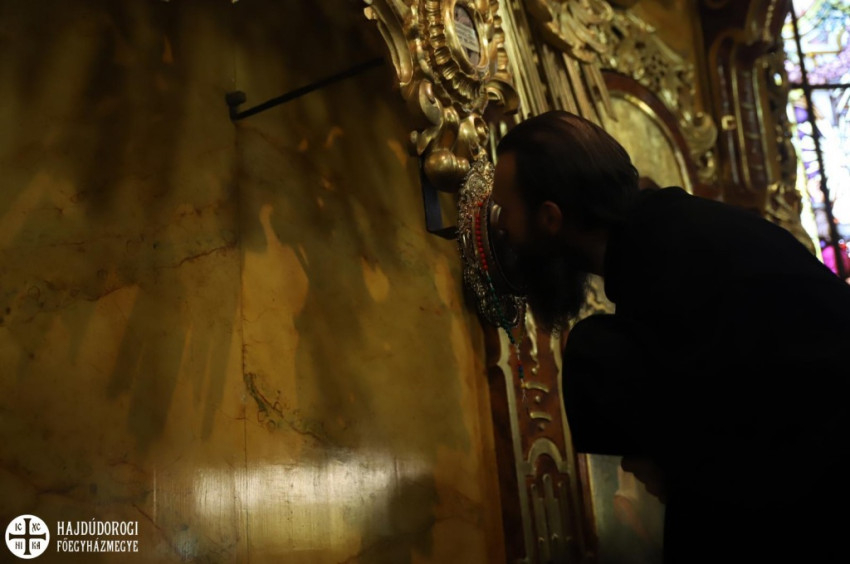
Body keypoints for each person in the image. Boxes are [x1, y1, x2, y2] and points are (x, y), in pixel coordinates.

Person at [489, 110, 849, 563]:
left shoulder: (668, 262)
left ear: (550, 218)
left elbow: (753, 431)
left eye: (505, 212)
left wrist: (675, 467)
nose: (500, 228)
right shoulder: (669, 234)